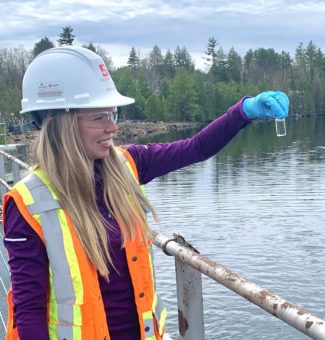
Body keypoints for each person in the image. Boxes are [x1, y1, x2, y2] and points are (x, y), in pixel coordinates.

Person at [2, 46, 289, 340]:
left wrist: (243, 112)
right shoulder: (29, 204)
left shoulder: (127, 165)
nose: (113, 127)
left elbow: (196, 148)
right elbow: (30, 312)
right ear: (59, 123)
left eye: (113, 114)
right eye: (99, 117)